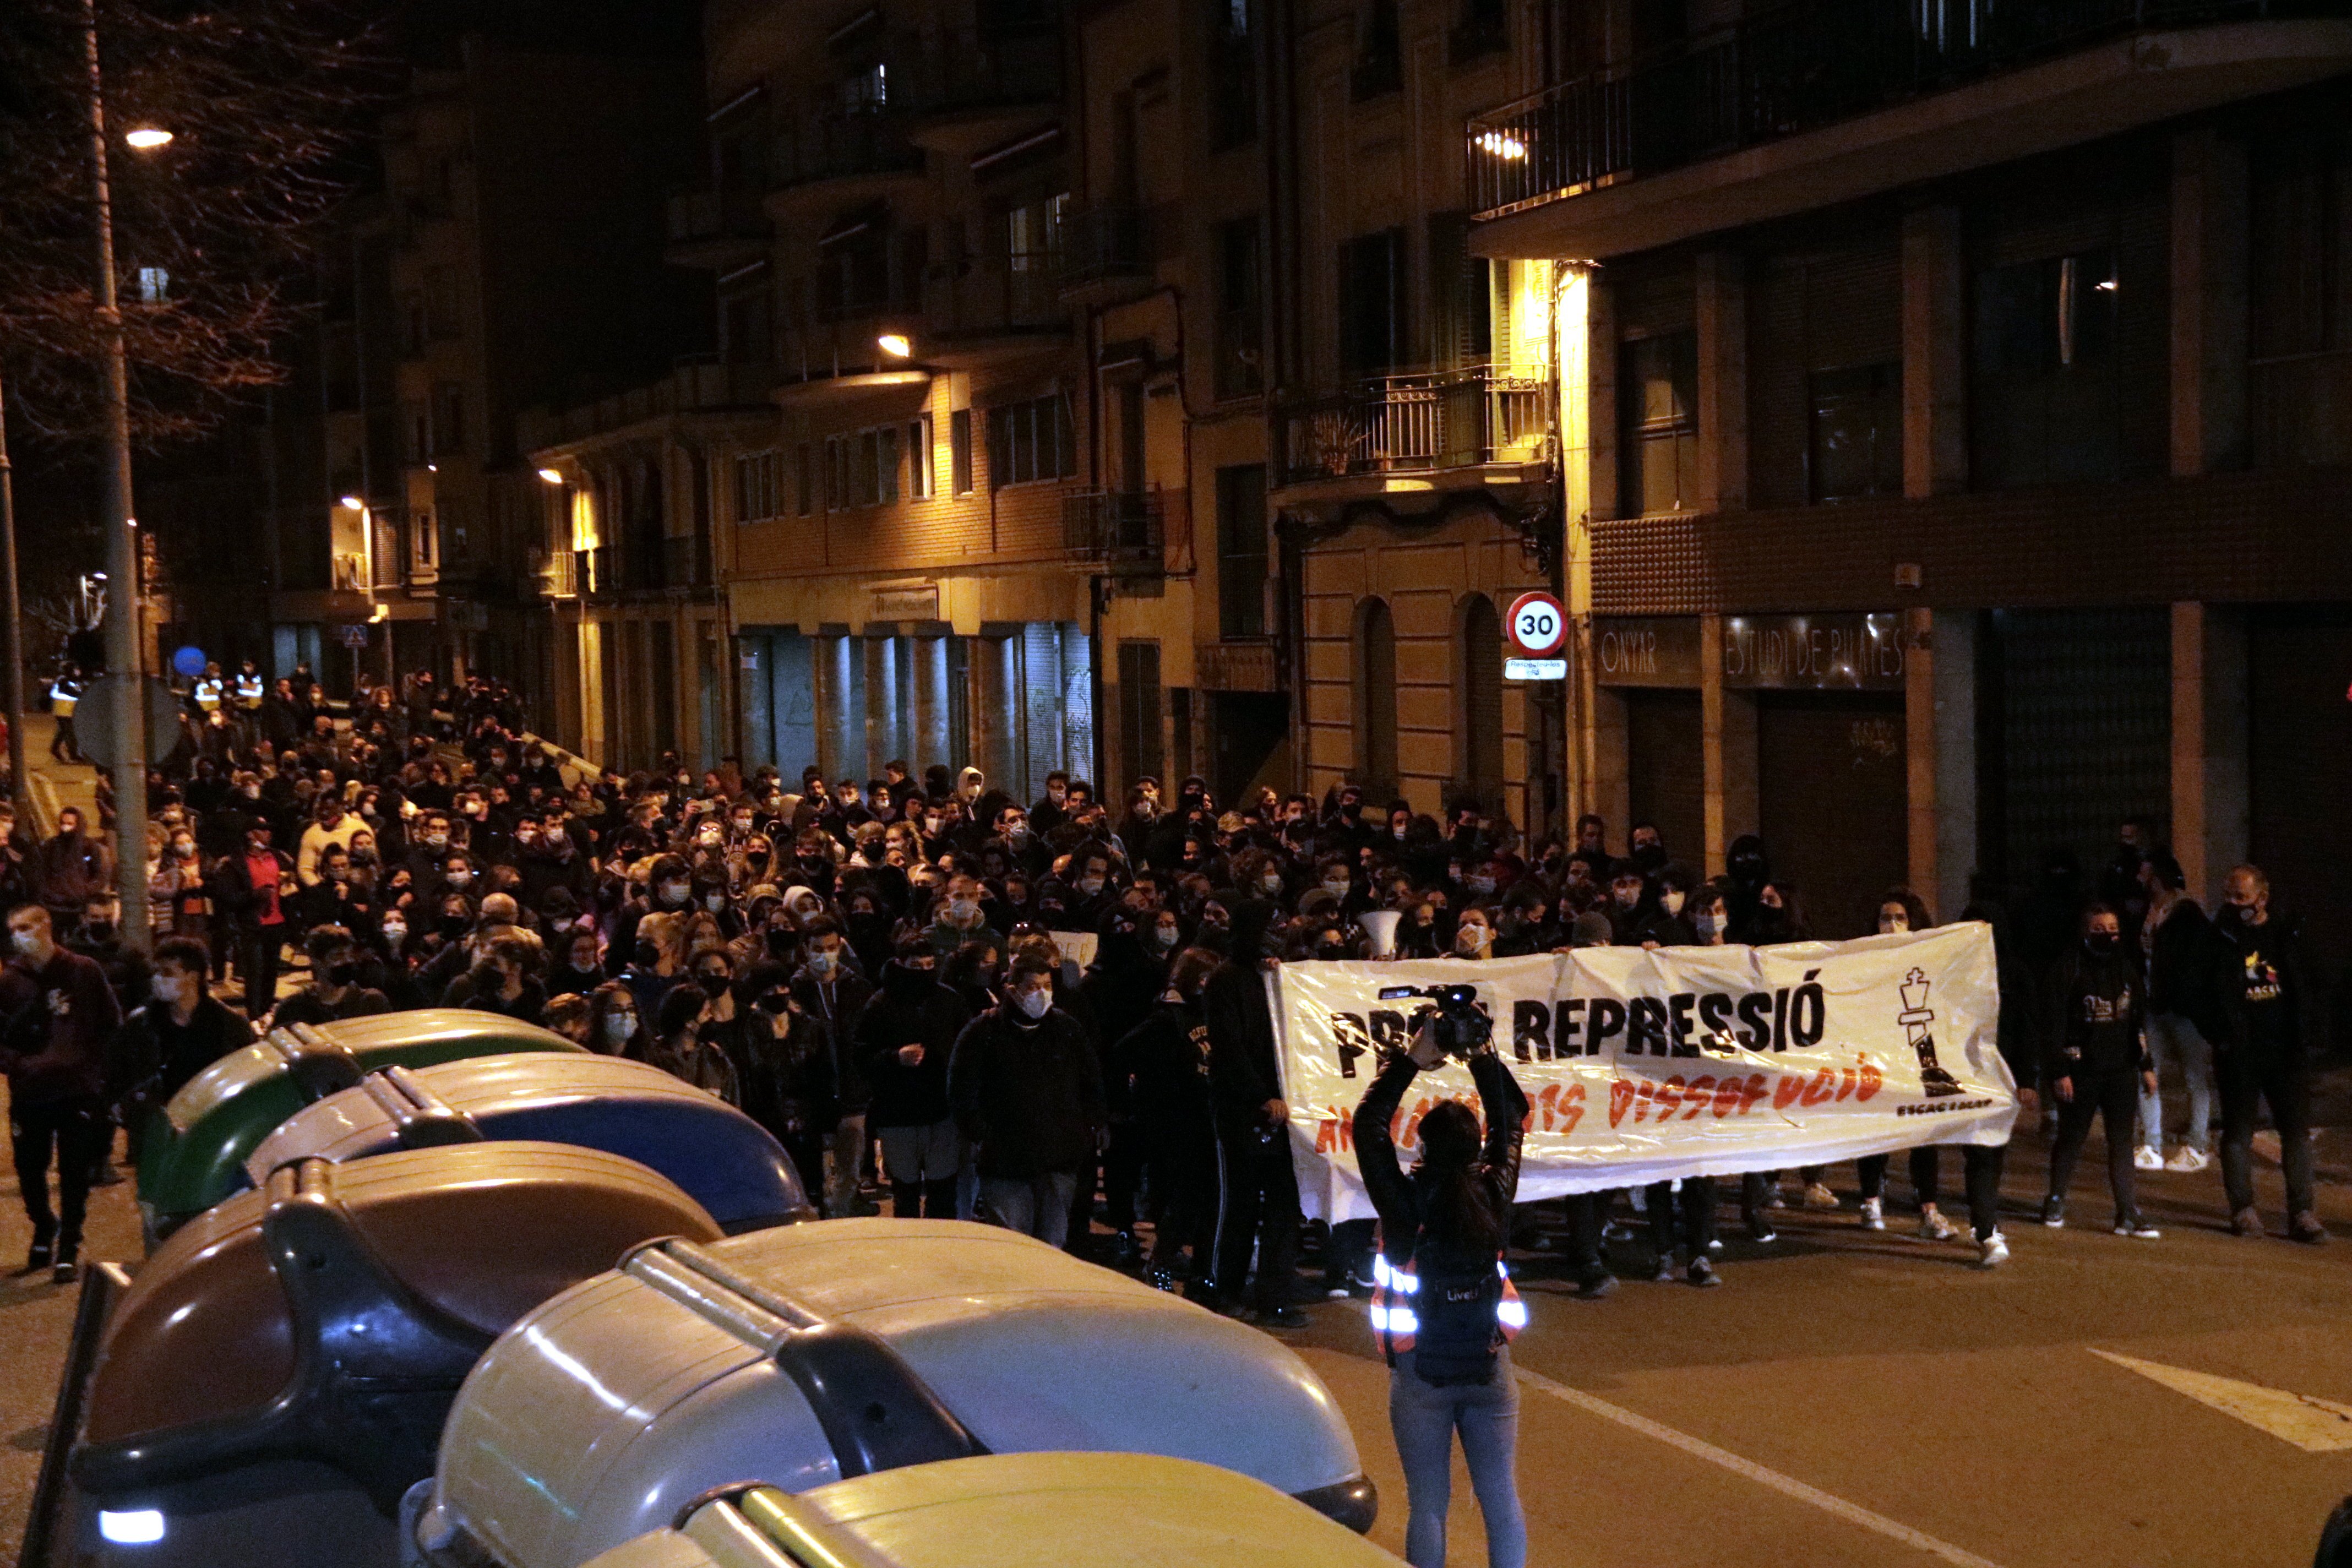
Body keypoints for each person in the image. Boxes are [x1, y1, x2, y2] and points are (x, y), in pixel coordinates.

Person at [1353, 1007, 1529, 1568]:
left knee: (1429, 1504)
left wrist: (1410, 1060)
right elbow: (1513, 1120)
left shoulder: (1405, 1202)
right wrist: (1483, 1056)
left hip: (1419, 1370)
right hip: (1489, 1364)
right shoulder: (1495, 1192)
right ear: (1477, 1150)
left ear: (1423, 1150)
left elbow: (1367, 1126)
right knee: (1500, 1497)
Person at [0, 904, 123, 1283]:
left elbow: (109, 1023)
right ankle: (43, 1224)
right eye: (13, 929)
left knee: (73, 1170)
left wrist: (95, 1072)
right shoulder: (10, 982)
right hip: (30, 1092)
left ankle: (69, 1242)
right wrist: (17, 1064)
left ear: (45, 926)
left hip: (76, 1091)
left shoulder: (83, 972)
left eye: (25, 926)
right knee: (30, 1169)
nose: (19, 934)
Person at [948, 951, 1104, 1247]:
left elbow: (1091, 1081)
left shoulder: (1066, 1029)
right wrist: (983, 1135)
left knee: (1052, 1244)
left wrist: (1086, 1129)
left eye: (1047, 986)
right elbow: (961, 1090)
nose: (1042, 994)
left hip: (1059, 1158)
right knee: (1012, 1246)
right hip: (1006, 1163)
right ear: (1012, 990)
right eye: (1033, 987)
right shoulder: (983, 1032)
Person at [1202, 900, 1306, 1325]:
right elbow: (1230, 1048)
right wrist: (1262, 1096)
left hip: (1287, 1113)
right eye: (1272, 926)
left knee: (1285, 1205)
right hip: (1243, 1113)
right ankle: (1224, 1290)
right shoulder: (1225, 981)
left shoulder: (1280, 978)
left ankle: (1275, 1295)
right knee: (1240, 1206)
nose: (1279, 933)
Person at [2211, 864, 2323, 1243]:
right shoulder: (2220, 937)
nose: (2233, 903)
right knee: (2238, 1133)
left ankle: (2303, 1213)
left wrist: (2307, 1035)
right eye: (2229, 895)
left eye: (2240, 897)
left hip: (2285, 1052)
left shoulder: (2287, 935)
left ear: (2262, 898)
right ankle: (2243, 1210)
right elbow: (2201, 991)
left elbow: (2311, 984)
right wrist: (2223, 1036)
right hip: (2240, 1055)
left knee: (2295, 1134)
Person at [2041, 903, 2160, 1239]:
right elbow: (2053, 1024)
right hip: (2081, 1071)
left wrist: (2146, 1066)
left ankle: (2127, 1212)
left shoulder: (2125, 969)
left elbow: (2137, 1021)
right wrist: (2059, 1071)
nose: (2108, 934)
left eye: (2113, 927)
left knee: (2121, 1142)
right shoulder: (2068, 968)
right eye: (2099, 928)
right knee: (2071, 1138)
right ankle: (2054, 1200)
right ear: (2085, 931)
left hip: (2120, 1070)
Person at [861, 938, 967, 1219]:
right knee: (905, 1194)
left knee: (943, 1193)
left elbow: (966, 1047)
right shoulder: (880, 1004)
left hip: (941, 1113)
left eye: (930, 965)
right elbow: (862, 1058)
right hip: (899, 1116)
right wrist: (895, 1057)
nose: (923, 971)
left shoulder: (948, 999)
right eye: (916, 966)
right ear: (900, 964)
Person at [2138, 851, 2222, 1174]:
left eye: (2145, 874)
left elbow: (2191, 961)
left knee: (2194, 1076)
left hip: (2183, 1009)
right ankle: (2152, 1145)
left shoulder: (2186, 911)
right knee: (2147, 1073)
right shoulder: (2150, 910)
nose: (2139, 879)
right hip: (2155, 1004)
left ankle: (2197, 1145)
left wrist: (2188, 999)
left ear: (2157, 877)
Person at [273, 925, 391, 1026]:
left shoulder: (373, 1002)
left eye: (350, 955)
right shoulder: (293, 1008)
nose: (347, 962)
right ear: (317, 961)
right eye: (338, 956)